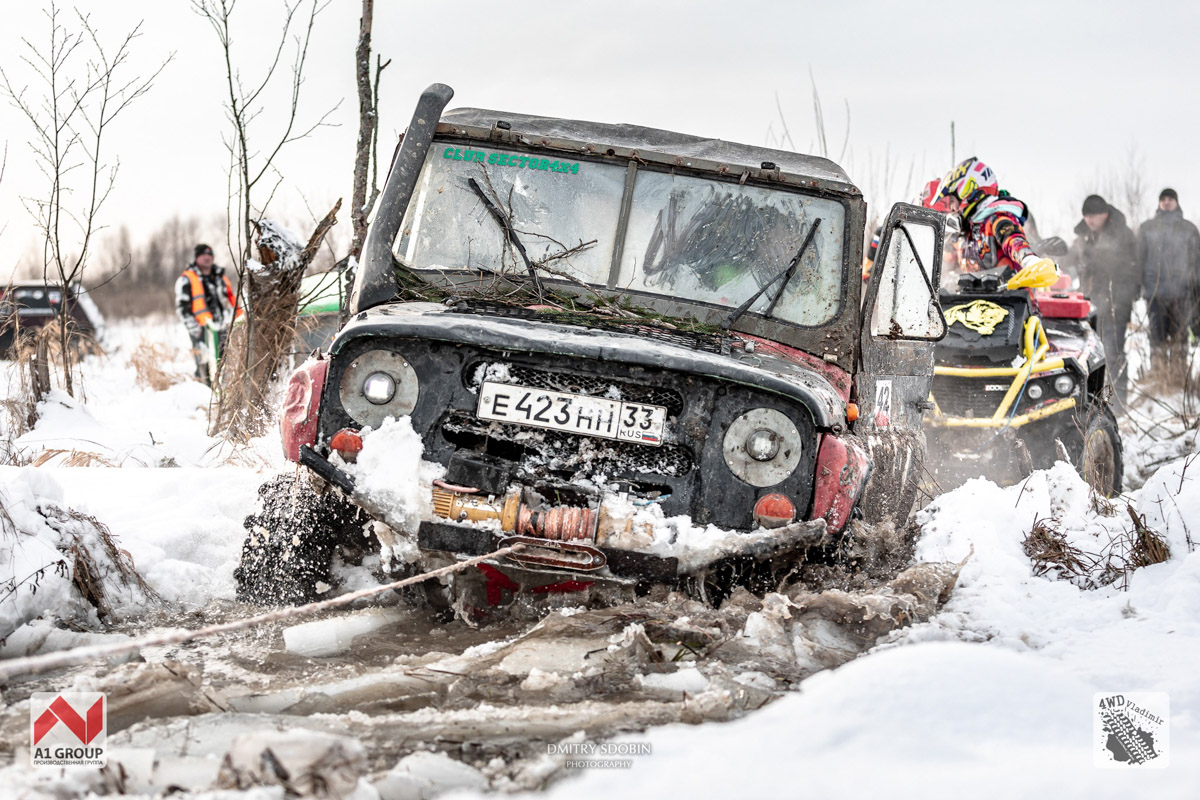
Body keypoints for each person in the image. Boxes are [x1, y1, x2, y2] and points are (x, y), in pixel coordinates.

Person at [933, 157, 1058, 285]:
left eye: (953, 202)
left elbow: (1013, 239)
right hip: (968, 301)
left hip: (1009, 300)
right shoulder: (962, 235)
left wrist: (1029, 259)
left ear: (967, 192)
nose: (952, 208)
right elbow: (943, 264)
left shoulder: (997, 219)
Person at [1064, 194, 1139, 402]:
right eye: (1087, 216)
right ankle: (1091, 398)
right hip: (1090, 303)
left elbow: (1134, 266)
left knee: (1113, 351)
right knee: (1088, 352)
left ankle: (1118, 401)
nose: (1090, 220)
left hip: (1117, 301)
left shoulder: (1123, 235)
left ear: (1105, 214)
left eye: (1094, 215)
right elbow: (1069, 258)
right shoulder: (1082, 238)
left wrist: (1125, 296)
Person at [1138, 188, 1200, 361]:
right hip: (1154, 293)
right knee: (1156, 337)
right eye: (1163, 199)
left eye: (1170, 199)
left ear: (1176, 202)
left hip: (1182, 293)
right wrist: (1141, 284)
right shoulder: (1147, 228)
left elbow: (1197, 260)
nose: (1166, 201)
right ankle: (1158, 376)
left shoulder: (1189, 229)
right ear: (1159, 202)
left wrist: (1196, 288)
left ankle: (1178, 376)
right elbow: (1139, 258)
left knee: (1180, 336)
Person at [175, 243, 241, 385]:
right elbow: (182, 308)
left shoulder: (220, 277)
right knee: (202, 363)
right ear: (197, 258)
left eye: (209, 255)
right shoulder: (187, 278)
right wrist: (195, 329)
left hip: (222, 326)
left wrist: (239, 319)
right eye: (203, 255)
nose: (207, 258)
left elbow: (232, 300)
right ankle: (204, 392)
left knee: (226, 361)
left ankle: (224, 390)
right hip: (201, 329)